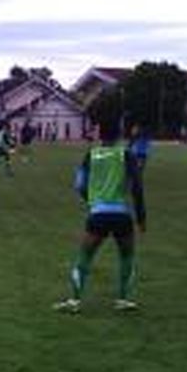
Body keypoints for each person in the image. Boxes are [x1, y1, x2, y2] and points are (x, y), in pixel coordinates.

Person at [53, 117, 146, 313]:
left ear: (99, 135)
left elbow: (78, 185)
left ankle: (74, 301)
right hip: (122, 215)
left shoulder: (91, 155)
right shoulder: (126, 155)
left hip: (98, 215)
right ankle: (122, 299)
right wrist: (141, 217)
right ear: (119, 135)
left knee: (85, 257)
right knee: (126, 256)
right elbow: (137, 186)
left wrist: (92, 201)